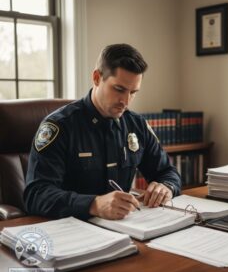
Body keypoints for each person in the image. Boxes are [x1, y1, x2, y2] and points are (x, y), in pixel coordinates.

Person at [24, 43, 181, 220]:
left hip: (126, 228)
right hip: (74, 229)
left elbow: (168, 172)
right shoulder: (59, 126)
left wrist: (166, 186)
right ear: (97, 77)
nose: (126, 101)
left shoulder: (136, 125)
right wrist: (93, 204)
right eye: (119, 89)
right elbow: (36, 195)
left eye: (133, 92)